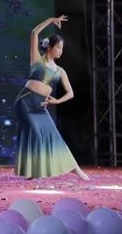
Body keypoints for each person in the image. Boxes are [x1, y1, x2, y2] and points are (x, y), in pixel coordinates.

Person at [13, 15, 89, 180]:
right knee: (36, 134)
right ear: (50, 47)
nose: (61, 51)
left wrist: (57, 101)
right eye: (59, 47)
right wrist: (50, 20)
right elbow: (34, 33)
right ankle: (34, 171)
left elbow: (70, 93)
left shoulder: (60, 71)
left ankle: (75, 169)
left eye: (62, 48)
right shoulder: (37, 60)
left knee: (54, 136)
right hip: (25, 102)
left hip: (41, 107)